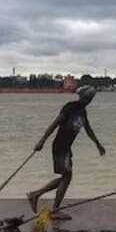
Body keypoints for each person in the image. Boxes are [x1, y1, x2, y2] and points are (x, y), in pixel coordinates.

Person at [27, 85, 105, 220]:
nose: (89, 100)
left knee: (65, 177)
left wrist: (98, 144)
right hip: (60, 146)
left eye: (91, 98)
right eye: (88, 97)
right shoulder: (70, 107)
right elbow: (54, 124)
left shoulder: (82, 111)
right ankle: (53, 210)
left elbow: (88, 129)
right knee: (67, 177)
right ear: (83, 96)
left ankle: (36, 195)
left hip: (66, 148)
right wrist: (42, 141)